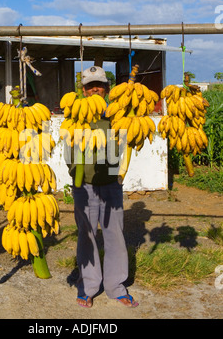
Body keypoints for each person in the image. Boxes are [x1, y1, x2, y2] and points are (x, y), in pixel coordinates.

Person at [66, 66, 139, 308]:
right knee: (86, 236)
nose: (95, 89)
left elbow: (129, 140)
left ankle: (115, 286)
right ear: (83, 90)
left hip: (110, 184)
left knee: (115, 236)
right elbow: (68, 151)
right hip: (84, 185)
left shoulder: (116, 114)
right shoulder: (75, 114)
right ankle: (87, 286)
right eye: (90, 86)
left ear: (107, 88)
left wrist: (119, 175)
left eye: (99, 85)